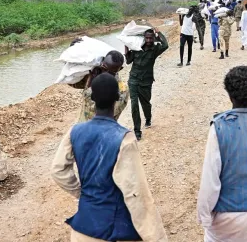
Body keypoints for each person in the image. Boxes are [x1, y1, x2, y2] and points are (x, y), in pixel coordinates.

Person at [51, 73, 168, 242]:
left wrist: (81, 193)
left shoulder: (74, 131)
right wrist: (157, 237)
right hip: (112, 231)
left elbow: (58, 171)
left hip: (82, 230)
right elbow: (136, 192)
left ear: (92, 98)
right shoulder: (124, 138)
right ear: (116, 98)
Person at [197, 65, 247, 242]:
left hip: (226, 217)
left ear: (228, 93)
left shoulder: (219, 126)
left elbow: (211, 179)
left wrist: (205, 217)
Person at [125, 28, 168, 141]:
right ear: (144, 38)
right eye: (147, 38)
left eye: (151, 38)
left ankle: (148, 118)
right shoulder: (137, 47)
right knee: (134, 104)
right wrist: (126, 47)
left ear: (153, 38)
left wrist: (159, 33)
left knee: (146, 103)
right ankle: (137, 131)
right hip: (133, 79)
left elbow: (165, 45)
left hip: (146, 81)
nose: (148, 40)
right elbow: (128, 61)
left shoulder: (155, 49)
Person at [72, 50, 128, 122]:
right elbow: (74, 84)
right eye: (104, 68)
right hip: (83, 125)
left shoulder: (122, 90)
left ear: (119, 69)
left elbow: (98, 110)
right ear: (102, 63)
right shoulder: (95, 74)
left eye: (111, 72)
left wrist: (91, 83)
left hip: (103, 130)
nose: (105, 73)